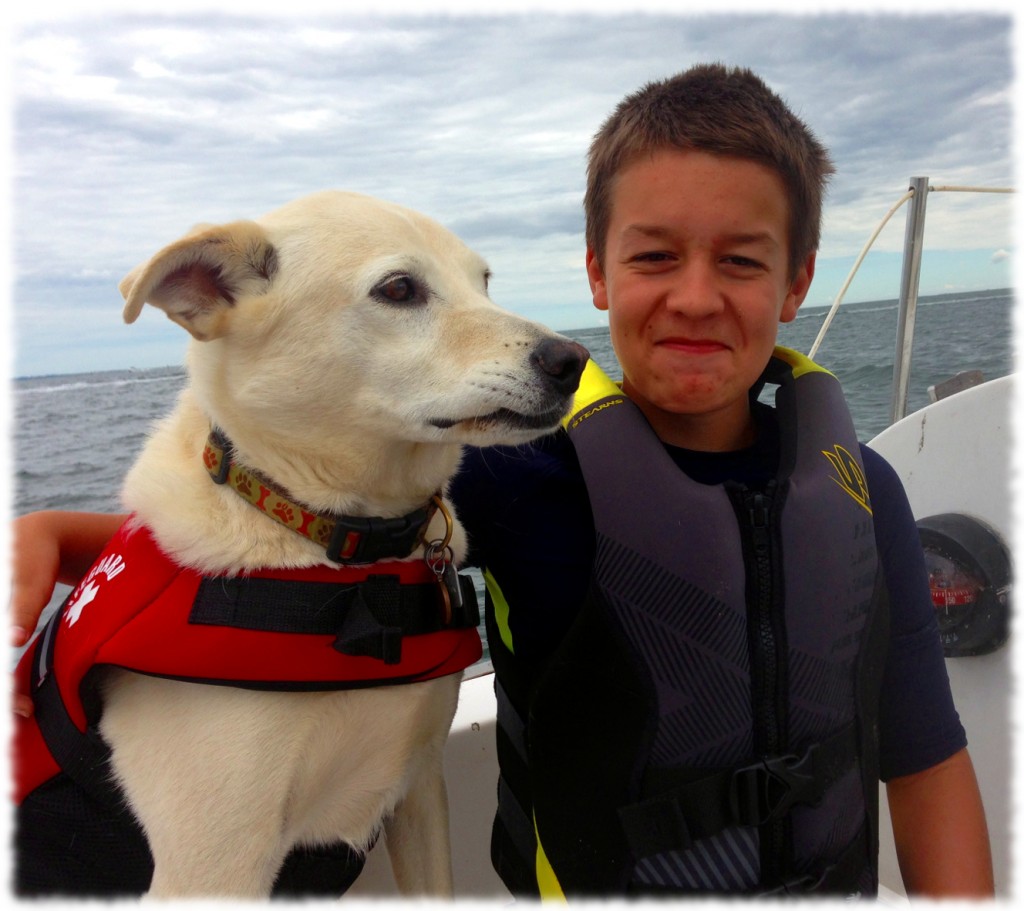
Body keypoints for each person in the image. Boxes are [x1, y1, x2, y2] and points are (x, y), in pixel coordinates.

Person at [10, 64, 993, 899]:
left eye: (740, 260)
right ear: (598, 274)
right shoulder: (512, 476)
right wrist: (59, 531)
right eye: (654, 256)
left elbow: (924, 752)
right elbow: (293, 536)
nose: (695, 295)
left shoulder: (861, 486)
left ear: (796, 281)